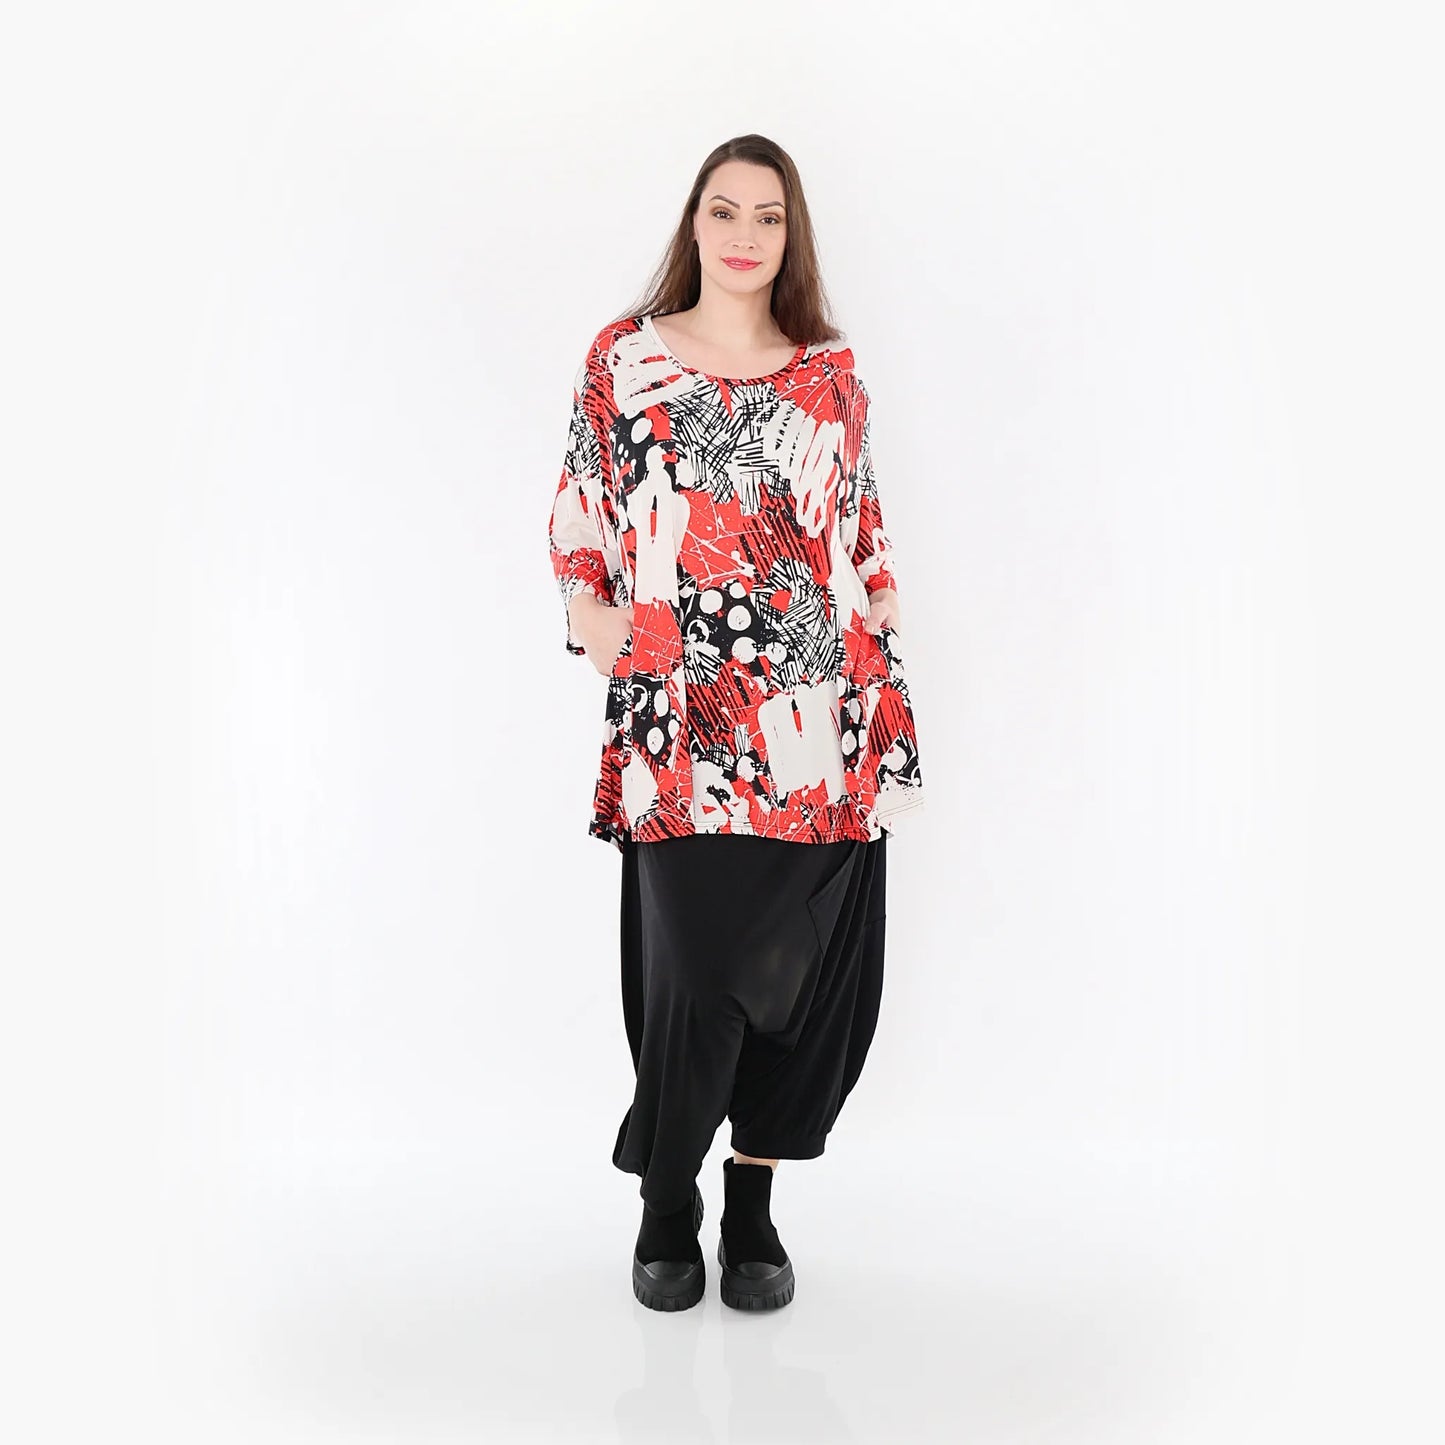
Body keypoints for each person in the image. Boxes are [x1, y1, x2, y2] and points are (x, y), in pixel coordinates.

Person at [547, 133, 926, 1312]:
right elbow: (582, 501)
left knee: (797, 974)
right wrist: (589, 611)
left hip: (819, 721)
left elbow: (859, 529)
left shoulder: (829, 373)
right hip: (683, 720)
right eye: (724, 210)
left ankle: (751, 1202)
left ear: (789, 234)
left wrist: (882, 637)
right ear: (694, 223)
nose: (745, 234)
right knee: (698, 970)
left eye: (769, 215)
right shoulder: (624, 357)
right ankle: (668, 1196)